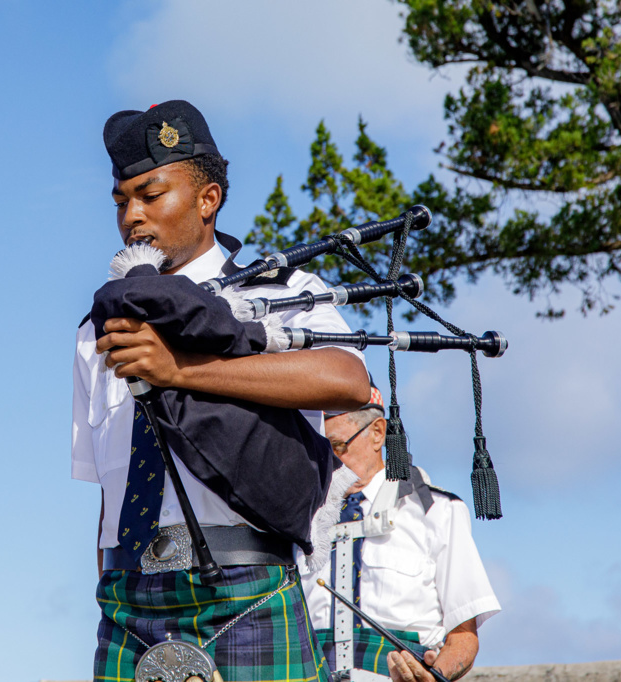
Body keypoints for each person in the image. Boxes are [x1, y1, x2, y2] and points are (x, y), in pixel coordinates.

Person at [71, 99, 371, 681]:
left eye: (152, 195)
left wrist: (179, 371)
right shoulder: (95, 329)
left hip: (245, 581)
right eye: (121, 200)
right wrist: (105, 584)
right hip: (127, 595)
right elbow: (107, 496)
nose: (133, 215)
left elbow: (346, 379)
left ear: (208, 199)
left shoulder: (283, 292)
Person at [299, 387, 500, 681]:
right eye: (317, 450)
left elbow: (463, 637)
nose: (329, 461)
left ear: (378, 433)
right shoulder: (298, 521)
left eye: (338, 446)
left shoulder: (438, 512)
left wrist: (434, 675)